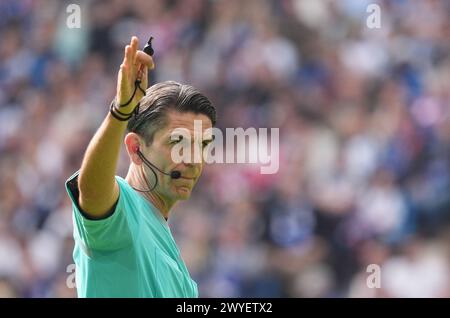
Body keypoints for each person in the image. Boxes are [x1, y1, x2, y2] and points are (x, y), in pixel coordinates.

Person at [65, 36, 216, 297]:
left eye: (202, 145)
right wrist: (121, 111)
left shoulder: (180, 269)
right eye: (178, 143)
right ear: (135, 148)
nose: (193, 160)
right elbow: (91, 190)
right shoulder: (124, 213)